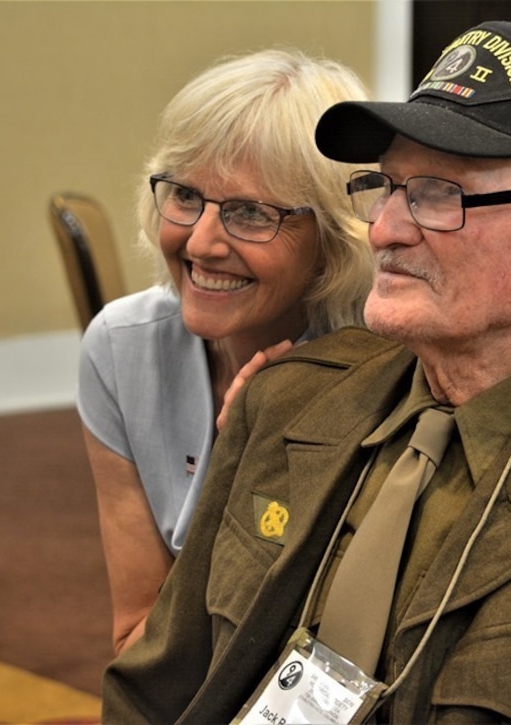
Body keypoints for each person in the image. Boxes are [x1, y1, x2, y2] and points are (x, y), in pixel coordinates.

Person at [102, 21, 511, 724]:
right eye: (388, 186)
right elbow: (155, 690)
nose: (383, 227)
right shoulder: (286, 398)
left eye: (439, 194)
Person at [77, 49, 374, 655]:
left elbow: (352, 650)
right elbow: (138, 638)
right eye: (185, 195)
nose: (202, 242)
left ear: (331, 239)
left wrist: (257, 458)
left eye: (249, 213)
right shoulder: (123, 348)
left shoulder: (385, 370)